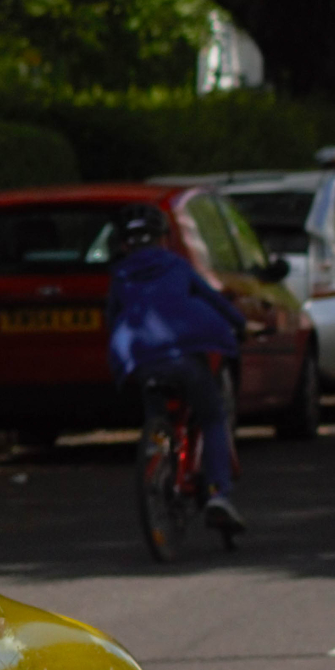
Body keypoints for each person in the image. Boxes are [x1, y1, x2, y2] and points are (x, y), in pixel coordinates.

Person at [106, 205, 248, 532]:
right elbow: (215, 302)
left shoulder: (120, 276)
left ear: (126, 244)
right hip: (184, 358)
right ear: (163, 239)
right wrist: (240, 325)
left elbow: (112, 320)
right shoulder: (176, 265)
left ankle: (159, 461)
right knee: (212, 416)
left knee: (156, 415)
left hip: (141, 361)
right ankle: (218, 493)